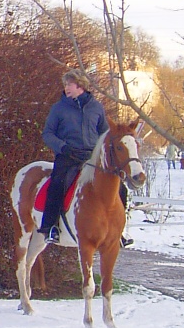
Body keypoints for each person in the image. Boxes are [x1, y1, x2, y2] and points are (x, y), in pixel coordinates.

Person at [38, 69, 131, 246]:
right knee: (57, 184)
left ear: (80, 85)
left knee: (121, 189)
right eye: (65, 85)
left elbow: (105, 133)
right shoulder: (59, 108)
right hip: (68, 156)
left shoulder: (96, 107)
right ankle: (50, 227)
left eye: (69, 84)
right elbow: (47, 134)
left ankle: (118, 231)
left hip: (91, 158)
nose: (66, 88)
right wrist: (63, 147)